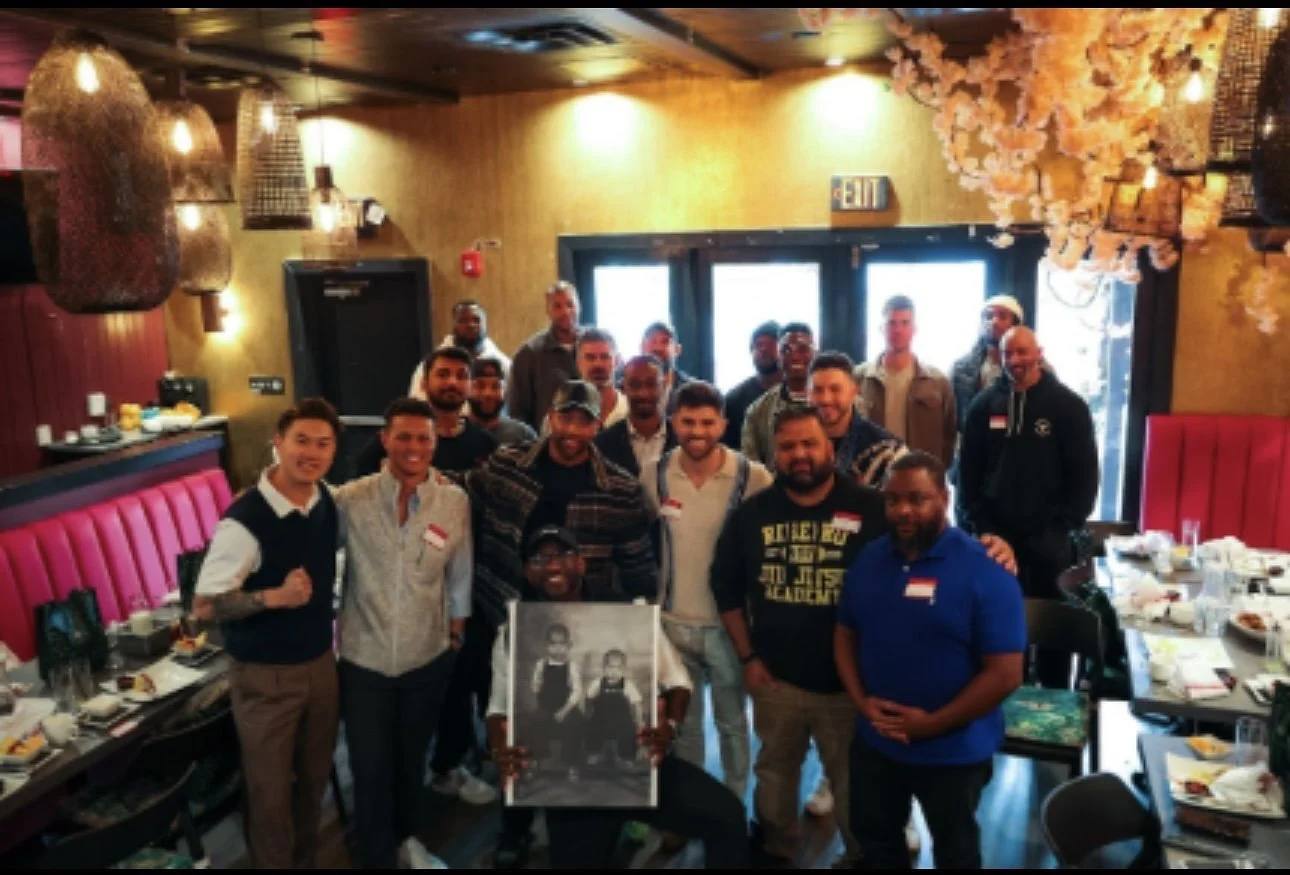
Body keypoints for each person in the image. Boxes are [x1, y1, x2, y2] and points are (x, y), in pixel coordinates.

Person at [713, 406, 1016, 867]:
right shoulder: (752, 516)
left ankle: (859, 859)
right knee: (778, 784)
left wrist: (993, 545)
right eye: (788, 446)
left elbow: (932, 534)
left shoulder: (875, 508)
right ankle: (778, 852)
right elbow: (728, 589)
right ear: (775, 453)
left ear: (830, 447)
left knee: (866, 804)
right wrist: (748, 658)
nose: (799, 454)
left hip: (853, 693)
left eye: (809, 443)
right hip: (781, 681)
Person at [467, 379, 658, 866]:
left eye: (584, 420)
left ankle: (588, 819)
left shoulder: (619, 487)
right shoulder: (505, 465)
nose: (573, 429)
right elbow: (471, 515)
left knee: (575, 724)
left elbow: (636, 562)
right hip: (508, 609)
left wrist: (635, 624)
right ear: (550, 417)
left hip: (582, 621)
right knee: (512, 725)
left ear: (599, 423)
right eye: (564, 417)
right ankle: (514, 827)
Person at [487, 526, 751, 870]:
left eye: (562, 554)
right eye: (539, 558)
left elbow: (678, 681)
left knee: (728, 817)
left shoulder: (630, 614)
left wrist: (668, 727)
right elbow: (497, 709)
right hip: (571, 784)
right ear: (526, 571)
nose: (551, 564)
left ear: (581, 564)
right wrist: (501, 749)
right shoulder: (513, 633)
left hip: (641, 763)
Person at [836, 452, 1025, 869]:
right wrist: (861, 703)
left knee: (956, 853)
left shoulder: (986, 570)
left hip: (953, 751)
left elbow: (1006, 674)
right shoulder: (869, 559)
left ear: (944, 497)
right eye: (893, 500)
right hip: (876, 742)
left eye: (918, 499)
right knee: (876, 844)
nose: (903, 510)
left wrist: (932, 724)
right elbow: (845, 634)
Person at [192, 399, 343, 869]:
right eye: (301, 441)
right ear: (278, 443)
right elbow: (204, 606)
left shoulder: (325, 500)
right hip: (264, 678)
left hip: (321, 665)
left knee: (313, 785)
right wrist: (273, 597)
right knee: (270, 799)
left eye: (323, 444)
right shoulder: (244, 519)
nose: (311, 453)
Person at [334, 398, 472, 869]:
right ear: (385, 439)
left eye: (423, 438)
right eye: (404, 437)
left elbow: (460, 573)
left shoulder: (452, 501)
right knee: (369, 765)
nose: (414, 447)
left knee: (411, 759)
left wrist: (455, 632)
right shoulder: (350, 499)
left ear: (435, 443)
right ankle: (376, 855)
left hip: (426, 655)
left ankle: (407, 839)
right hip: (363, 657)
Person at [642, 381, 772, 802]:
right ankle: (692, 807)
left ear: (723, 424)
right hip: (671, 622)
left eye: (707, 422)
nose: (697, 431)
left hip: (727, 626)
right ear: (672, 422)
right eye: (688, 422)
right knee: (684, 725)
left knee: (732, 723)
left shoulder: (753, 476)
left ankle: (734, 805)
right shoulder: (654, 473)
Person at [957, 326, 1098, 688]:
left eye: (1023, 352)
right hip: (995, 542)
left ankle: (1054, 698)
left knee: (1052, 631)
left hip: (1050, 542)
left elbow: (1085, 479)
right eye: (1009, 353)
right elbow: (967, 475)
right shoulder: (983, 406)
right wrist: (979, 527)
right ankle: (1003, 698)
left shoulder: (1068, 406)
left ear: (1039, 353)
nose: (1015, 360)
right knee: (998, 630)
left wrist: (1060, 528)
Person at [357, 346, 498, 478]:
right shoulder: (395, 439)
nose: (452, 382)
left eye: (461, 376)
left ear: (471, 386)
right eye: (443, 374)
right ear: (424, 383)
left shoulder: (485, 443)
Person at [855, 296, 958, 468]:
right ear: (881, 328)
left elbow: (949, 434)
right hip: (873, 473)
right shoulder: (860, 377)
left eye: (905, 323)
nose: (898, 330)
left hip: (921, 474)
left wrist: (936, 472)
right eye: (891, 323)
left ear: (914, 328)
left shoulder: (937, 381)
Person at [811, 351, 908, 488]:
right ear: (807, 394)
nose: (826, 399)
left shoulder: (887, 452)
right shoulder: (794, 444)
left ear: (854, 392)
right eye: (818, 390)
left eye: (835, 389)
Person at [508, 281, 583, 429]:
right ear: (547, 311)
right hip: (548, 439)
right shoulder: (529, 354)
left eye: (570, 305)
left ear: (579, 307)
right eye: (557, 306)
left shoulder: (595, 347)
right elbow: (518, 411)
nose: (565, 312)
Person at [949, 295, 1024, 439]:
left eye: (1002, 317)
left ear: (1015, 324)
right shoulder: (961, 369)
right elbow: (952, 419)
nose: (994, 322)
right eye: (988, 316)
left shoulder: (1034, 368)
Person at [741, 323, 815, 463]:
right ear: (779, 357)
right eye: (786, 350)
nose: (795, 356)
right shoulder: (758, 411)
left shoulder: (832, 404)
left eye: (803, 349)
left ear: (815, 353)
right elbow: (751, 466)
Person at [409, 299, 511, 398]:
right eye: (463, 320)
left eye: (476, 320)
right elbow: (418, 400)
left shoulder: (504, 365)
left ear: (485, 324)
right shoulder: (432, 365)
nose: (471, 325)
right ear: (453, 325)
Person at [595, 354, 677, 477]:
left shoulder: (681, 439)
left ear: (664, 385)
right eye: (635, 385)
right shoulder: (603, 443)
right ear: (623, 387)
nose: (643, 393)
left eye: (651, 384)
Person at [527, 623, 583, 778]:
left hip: (566, 706)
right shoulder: (541, 664)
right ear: (546, 646)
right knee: (535, 722)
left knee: (576, 724)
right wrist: (537, 686)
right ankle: (537, 760)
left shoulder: (571, 666)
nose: (557, 649)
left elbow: (577, 691)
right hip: (546, 706)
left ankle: (571, 764)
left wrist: (564, 711)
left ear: (568, 646)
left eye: (561, 644)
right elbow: (535, 685)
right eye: (553, 644)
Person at [722, 321, 782, 449]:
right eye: (758, 345)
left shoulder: (797, 393)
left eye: (771, 344)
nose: (764, 350)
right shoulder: (734, 399)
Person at [584, 649, 646, 767]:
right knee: (592, 729)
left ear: (624, 670)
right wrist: (588, 713)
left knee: (629, 732)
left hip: (621, 720)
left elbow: (637, 703)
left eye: (618, 668)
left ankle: (627, 756)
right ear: (604, 668)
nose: (614, 671)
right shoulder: (598, 683)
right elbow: (589, 698)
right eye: (610, 667)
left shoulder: (627, 685)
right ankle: (594, 753)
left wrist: (639, 720)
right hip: (601, 718)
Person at [469, 356, 537, 446]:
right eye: (480, 386)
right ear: (467, 389)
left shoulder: (524, 435)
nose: (488, 394)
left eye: (495, 386)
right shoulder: (455, 433)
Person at [576, 328, 628, 427]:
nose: (598, 364)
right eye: (590, 357)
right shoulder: (562, 415)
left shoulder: (631, 412)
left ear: (617, 361)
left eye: (605, 357)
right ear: (578, 362)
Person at [640, 321, 694, 414]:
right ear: (642, 348)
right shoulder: (625, 389)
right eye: (652, 341)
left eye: (665, 341)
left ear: (677, 350)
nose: (658, 348)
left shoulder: (692, 390)